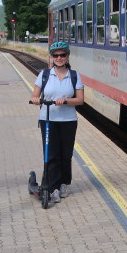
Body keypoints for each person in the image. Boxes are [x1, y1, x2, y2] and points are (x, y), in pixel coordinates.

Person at [30, 42, 84, 203]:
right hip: (48, 120)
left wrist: (66, 100)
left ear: (67, 56)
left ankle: (64, 184)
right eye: (55, 55)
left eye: (62, 55)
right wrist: (35, 100)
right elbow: (35, 94)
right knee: (51, 154)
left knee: (65, 155)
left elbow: (80, 100)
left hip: (68, 121)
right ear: (51, 57)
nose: (59, 58)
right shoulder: (45, 74)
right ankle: (52, 187)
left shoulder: (74, 75)